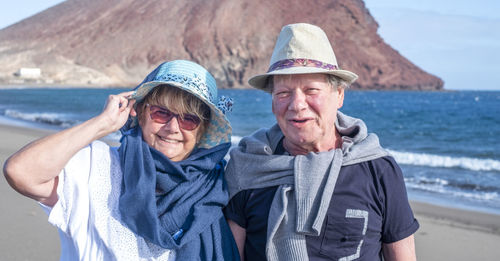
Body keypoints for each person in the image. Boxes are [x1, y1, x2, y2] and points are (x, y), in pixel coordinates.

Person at [4, 60, 239, 260]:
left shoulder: (215, 188)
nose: (172, 128)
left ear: (202, 130)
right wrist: (103, 124)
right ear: (140, 112)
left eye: (189, 119)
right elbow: (21, 172)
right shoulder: (96, 167)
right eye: (161, 113)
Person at [223, 23, 419, 261]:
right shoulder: (247, 168)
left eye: (311, 90)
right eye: (283, 93)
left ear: (339, 95)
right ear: (273, 103)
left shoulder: (379, 170)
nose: (297, 105)